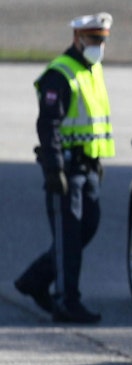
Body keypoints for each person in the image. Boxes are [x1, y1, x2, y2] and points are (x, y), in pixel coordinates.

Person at [15, 13, 115, 324]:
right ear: (77, 38)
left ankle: (34, 279)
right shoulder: (59, 74)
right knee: (68, 237)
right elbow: (49, 126)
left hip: (87, 168)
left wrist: (95, 160)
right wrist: (54, 169)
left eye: (101, 40)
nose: (98, 45)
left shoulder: (92, 70)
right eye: (93, 39)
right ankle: (66, 301)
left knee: (86, 227)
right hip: (66, 170)